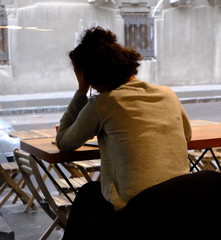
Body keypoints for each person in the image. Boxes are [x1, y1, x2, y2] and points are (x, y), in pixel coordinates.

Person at [56, 26, 192, 239]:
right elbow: (187, 136)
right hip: (179, 207)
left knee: (86, 199)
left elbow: (64, 141)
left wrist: (82, 89)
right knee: (90, 193)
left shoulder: (103, 103)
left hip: (135, 215)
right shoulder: (168, 94)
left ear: (90, 75)